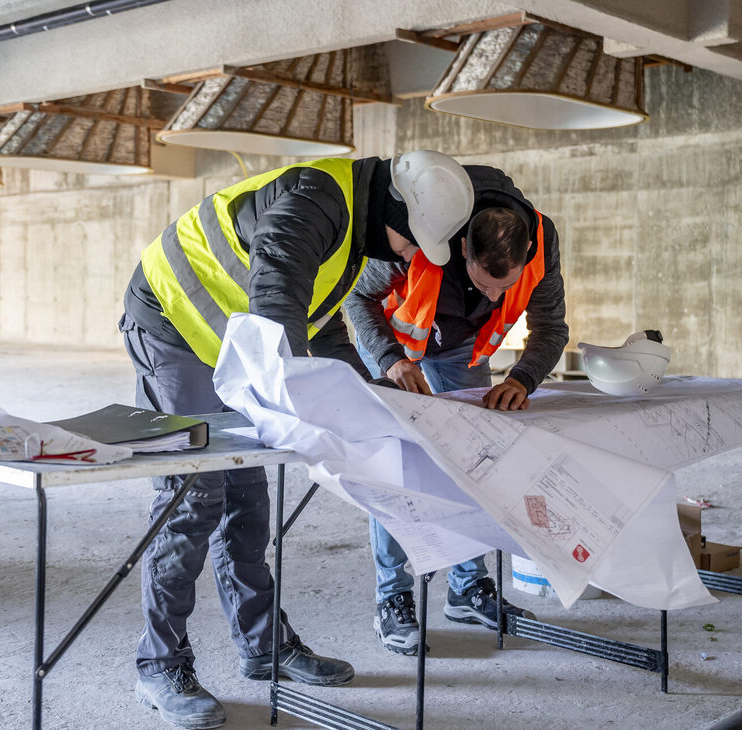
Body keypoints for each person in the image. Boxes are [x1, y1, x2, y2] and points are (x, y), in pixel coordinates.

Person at [119, 150, 475, 729]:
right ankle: (159, 663)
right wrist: (300, 406)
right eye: (413, 242)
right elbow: (277, 306)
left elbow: (322, 323)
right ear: (397, 209)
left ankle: (262, 646)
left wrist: (370, 399)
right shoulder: (314, 202)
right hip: (171, 323)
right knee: (194, 496)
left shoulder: (356, 230)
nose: (411, 256)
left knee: (247, 499)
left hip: (226, 338)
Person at [345, 164, 569, 656]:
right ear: (462, 248)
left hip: (461, 348)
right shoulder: (428, 224)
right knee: (396, 465)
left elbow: (551, 327)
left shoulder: (542, 240)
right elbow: (357, 298)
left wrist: (520, 378)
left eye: (502, 288)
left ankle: (468, 588)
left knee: (472, 457)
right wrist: (391, 360)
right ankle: (393, 597)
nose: (494, 296)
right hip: (394, 344)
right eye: (484, 282)